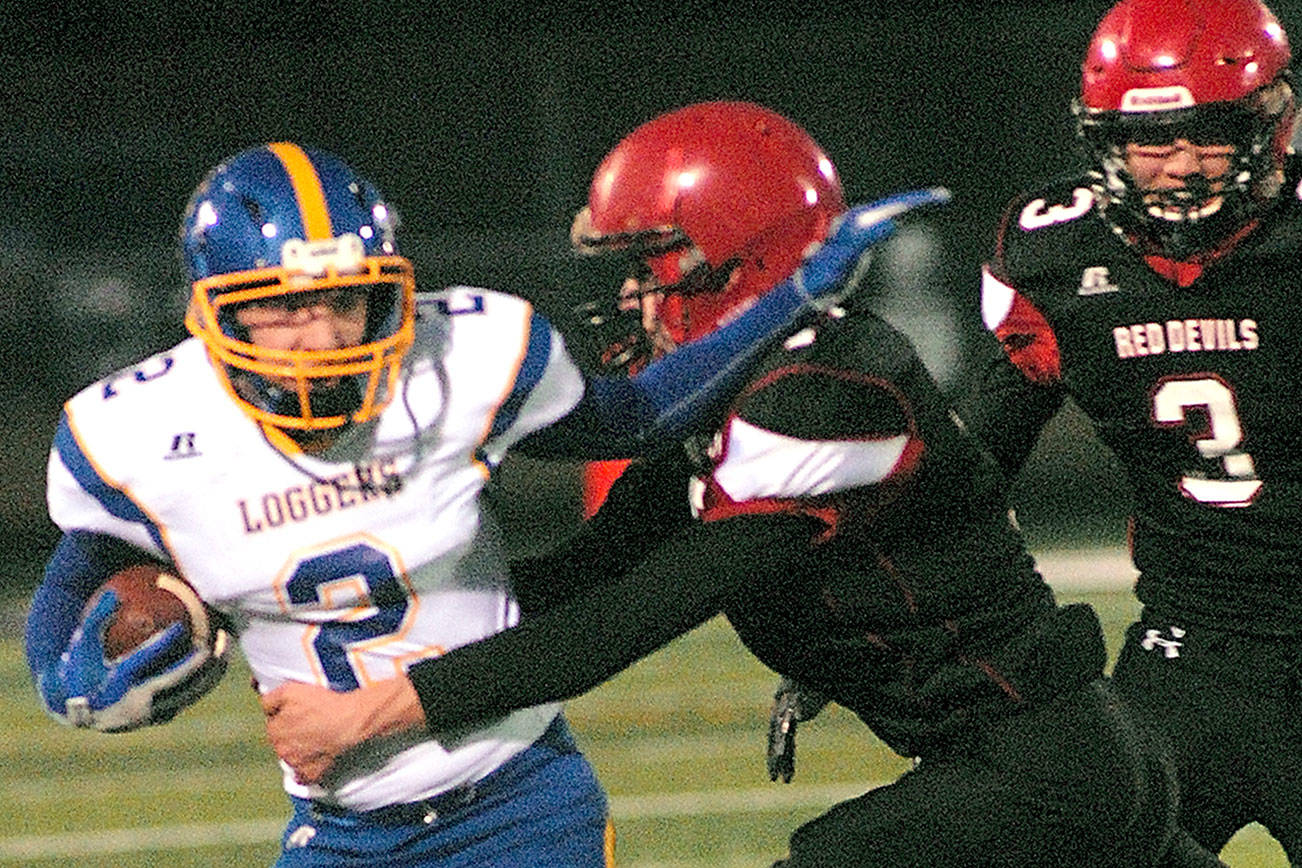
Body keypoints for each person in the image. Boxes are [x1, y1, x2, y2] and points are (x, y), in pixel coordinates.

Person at [258, 102, 1211, 867]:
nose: (625, 299)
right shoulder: (736, 393)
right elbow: (591, 570)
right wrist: (364, 611)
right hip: (1051, 764)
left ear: (734, 262)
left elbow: (628, 620)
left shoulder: (825, 392)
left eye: (645, 269)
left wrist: (385, 707)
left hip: (1051, 771)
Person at [24, 140, 930, 867]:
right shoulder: (139, 433)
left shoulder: (462, 356)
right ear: (218, 312)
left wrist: (799, 293)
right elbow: (72, 594)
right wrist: (82, 683)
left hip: (518, 801)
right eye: (285, 309)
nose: (324, 336)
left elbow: (639, 416)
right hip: (340, 829)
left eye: (346, 301)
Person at [966, 0, 1302, 861]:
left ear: (1274, 122)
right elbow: (976, 458)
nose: (1181, 167)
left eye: (1210, 134)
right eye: (1152, 140)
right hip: (1191, 651)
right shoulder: (1057, 252)